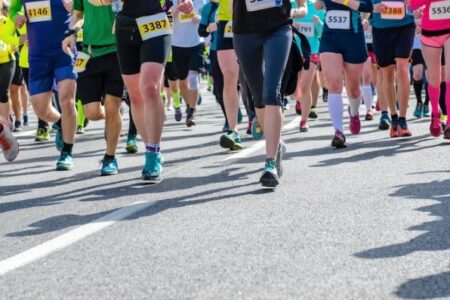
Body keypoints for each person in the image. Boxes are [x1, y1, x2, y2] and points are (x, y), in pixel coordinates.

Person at [89, 0, 194, 182]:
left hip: (156, 19)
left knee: (150, 88)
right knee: (136, 96)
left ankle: (153, 154)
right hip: (125, 26)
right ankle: (150, 147)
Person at [233, 0, 306, 188]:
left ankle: (270, 162)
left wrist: (301, 9)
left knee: (271, 93)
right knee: (258, 97)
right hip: (245, 30)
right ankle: (276, 143)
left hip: (278, 27)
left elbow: (303, 4)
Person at [10, 0, 79, 170]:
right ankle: (62, 122)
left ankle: (67, 152)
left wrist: (74, 6)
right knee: (40, 109)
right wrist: (15, 16)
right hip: (38, 56)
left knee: (66, 100)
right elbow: (12, 8)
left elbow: (82, 8)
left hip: (64, 51)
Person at [63, 0, 125, 176]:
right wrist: (72, 33)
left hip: (117, 51)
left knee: (112, 106)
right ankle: (114, 117)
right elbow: (78, 15)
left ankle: (110, 157)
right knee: (91, 112)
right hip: (88, 53)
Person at [316, 0, 373, 148]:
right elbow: (316, 4)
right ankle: (338, 132)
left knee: (353, 90)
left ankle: (354, 114)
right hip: (330, 38)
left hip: (353, 37)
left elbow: (368, 6)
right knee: (334, 84)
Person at [371, 0, 415, 138]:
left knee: (402, 69)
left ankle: (403, 119)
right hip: (380, 27)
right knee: (387, 74)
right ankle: (393, 117)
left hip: (405, 24)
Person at [410, 0, 450, 138]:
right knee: (434, 79)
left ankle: (449, 121)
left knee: (449, 75)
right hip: (430, 33)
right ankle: (435, 114)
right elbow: (414, 5)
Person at [171, 0, 204, 127]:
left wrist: (200, 18)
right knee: (182, 82)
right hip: (177, 45)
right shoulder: (171, 1)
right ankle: (189, 105)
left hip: (196, 43)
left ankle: (191, 113)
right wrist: (175, 10)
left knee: (193, 78)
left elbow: (206, 14)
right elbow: (165, 19)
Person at [0, 0, 19, 162]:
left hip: (7, 60)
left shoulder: (6, 21)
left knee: (3, 92)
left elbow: (17, 35)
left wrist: (17, 41)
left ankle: (4, 127)